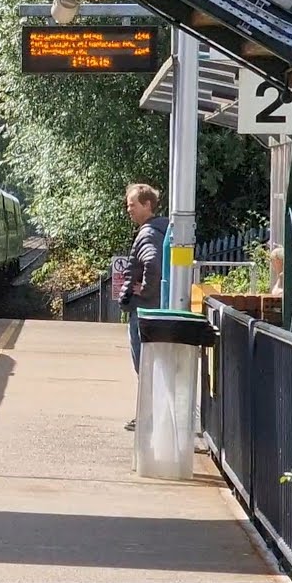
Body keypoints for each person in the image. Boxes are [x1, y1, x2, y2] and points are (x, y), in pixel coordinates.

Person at [117, 183, 170, 431]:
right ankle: (151, 415)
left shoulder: (147, 233)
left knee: (145, 364)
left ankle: (148, 418)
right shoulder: (160, 230)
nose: (129, 210)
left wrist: (145, 290)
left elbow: (152, 263)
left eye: (132, 205)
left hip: (144, 310)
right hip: (152, 308)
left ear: (147, 205)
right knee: (150, 365)